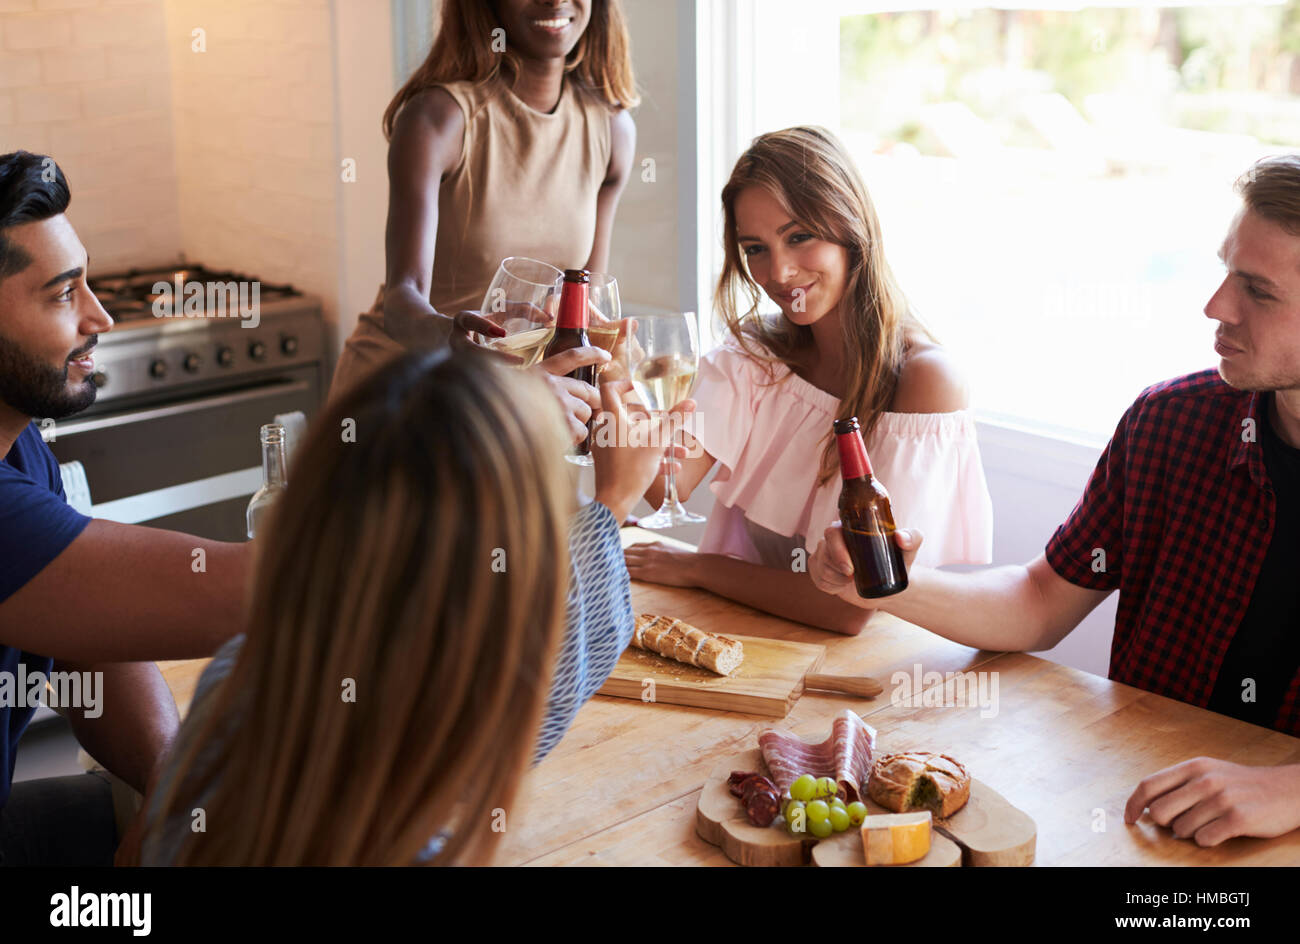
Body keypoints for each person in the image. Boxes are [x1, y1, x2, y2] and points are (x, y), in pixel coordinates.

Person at [810, 155, 1300, 847]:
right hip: (1137, 816)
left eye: (1258, 289)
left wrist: (1290, 788)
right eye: (1224, 271)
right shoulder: (1170, 423)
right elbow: (1039, 603)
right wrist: (892, 585)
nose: (1216, 306)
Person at [141, 346, 688, 865]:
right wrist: (611, 502)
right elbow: (530, 696)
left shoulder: (234, 676)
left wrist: (499, 415)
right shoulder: (431, 768)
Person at [624, 126, 993, 634]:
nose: (778, 273)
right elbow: (667, 484)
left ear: (851, 227)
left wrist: (697, 568)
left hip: (863, 669)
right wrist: (614, 395)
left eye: (799, 237)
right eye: (755, 248)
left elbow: (851, 608)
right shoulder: (756, 354)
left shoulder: (925, 379)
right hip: (743, 633)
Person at [0, 152, 249, 865]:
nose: (99, 318)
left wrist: (172, 783)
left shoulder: (19, 446)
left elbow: (87, 636)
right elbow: (249, 593)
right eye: (61, 294)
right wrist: (476, 431)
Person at [330, 0, 640, 444]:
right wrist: (455, 339)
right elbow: (403, 297)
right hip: (402, 397)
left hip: (503, 402)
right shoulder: (438, 117)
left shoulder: (612, 131)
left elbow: (580, 303)